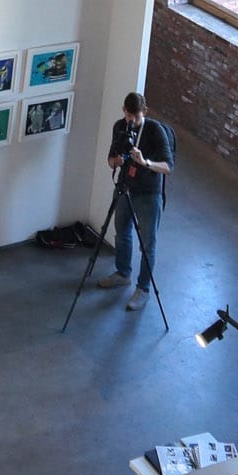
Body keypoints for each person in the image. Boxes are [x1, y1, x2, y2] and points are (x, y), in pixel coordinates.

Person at [95, 91, 172, 312]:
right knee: (122, 231)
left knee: (148, 242)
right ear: (123, 111)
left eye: (136, 117)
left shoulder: (155, 131)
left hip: (149, 193)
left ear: (144, 112)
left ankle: (143, 289)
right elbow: (111, 159)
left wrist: (145, 162)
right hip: (125, 187)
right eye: (129, 116)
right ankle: (122, 273)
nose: (132, 121)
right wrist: (116, 161)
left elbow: (168, 167)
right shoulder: (120, 127)